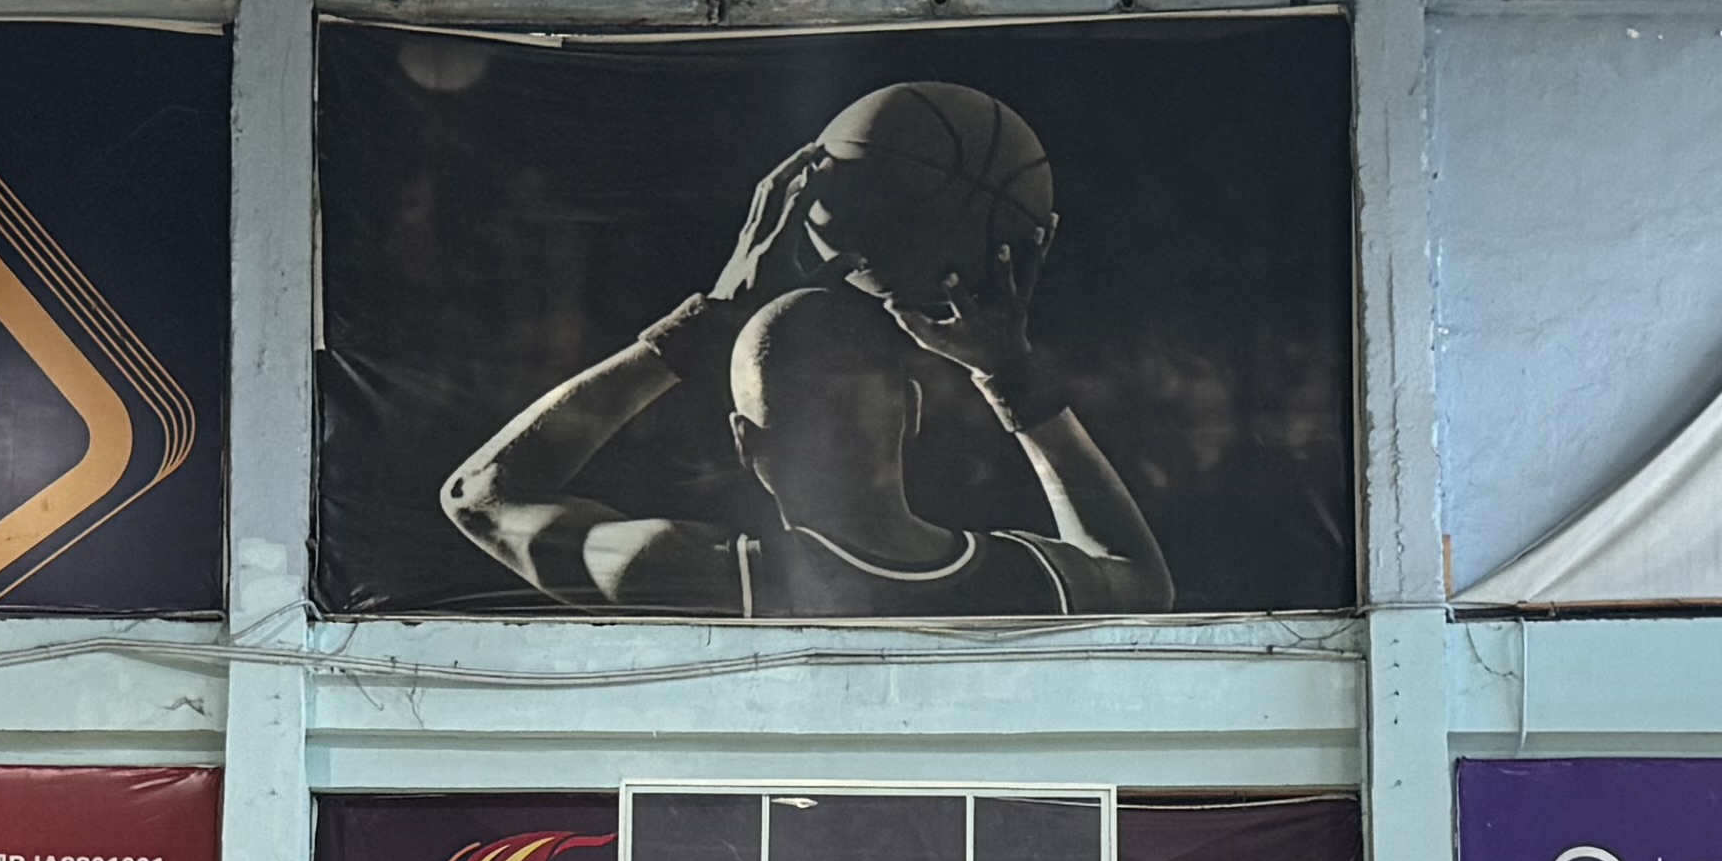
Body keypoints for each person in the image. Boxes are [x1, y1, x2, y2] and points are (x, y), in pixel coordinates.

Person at [437, 121, 1175, 616]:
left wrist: (703, 322)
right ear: (912, 414)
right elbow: (1141, 580)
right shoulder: (1027, 582)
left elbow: (481, 496)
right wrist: (1008, 372)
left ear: (746, 442)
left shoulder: (714, 579)